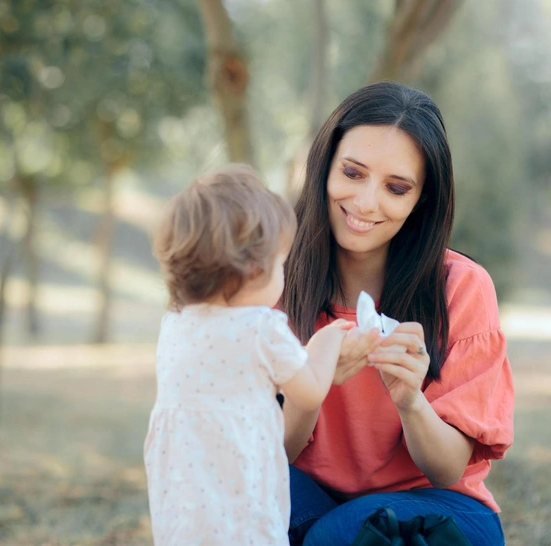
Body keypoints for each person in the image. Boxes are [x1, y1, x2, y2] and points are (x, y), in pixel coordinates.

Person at [281, 81, 515, 546]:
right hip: (311, 496)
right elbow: (272, 452)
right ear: (325, 167)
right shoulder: (275, 280)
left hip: (438, 506)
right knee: (233, 484)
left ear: (421, 199)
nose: (366, 203)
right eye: (352, 173)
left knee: (344, 533)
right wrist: (313, 384)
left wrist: (411, 399)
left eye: (396, 187)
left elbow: (447, 470)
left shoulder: (462, 287)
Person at [144, 165, 353, 545]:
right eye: (279, 263)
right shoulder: (262, 328)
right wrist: (325, 345)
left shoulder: (175, 325)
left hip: (186, 501)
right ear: (253, 269)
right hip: (241, 498)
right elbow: (308, 391)